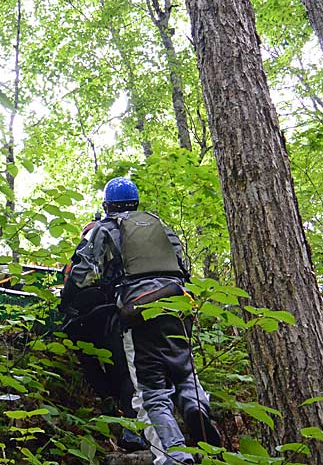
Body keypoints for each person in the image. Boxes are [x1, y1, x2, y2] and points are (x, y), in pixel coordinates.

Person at [63, 177, 220, 465]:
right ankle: (196, 408)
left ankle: (173, 455)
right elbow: (182, 267)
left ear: (107, 205)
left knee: (151, 391)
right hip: (178, 303)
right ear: (135, 203)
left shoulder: (105, 228)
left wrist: (69, 298)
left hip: (139, 309)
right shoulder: (160, 226)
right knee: (184, 372)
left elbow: (82, 273)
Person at [60, 211, 146, 452]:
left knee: (104, 363)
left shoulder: (93, 240)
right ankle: (131, 425)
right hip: (134, 308)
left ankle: (119, 415)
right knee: (128, 369)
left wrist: (65, 303)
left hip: (103, 314)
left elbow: (78, 276)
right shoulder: (135, 244)